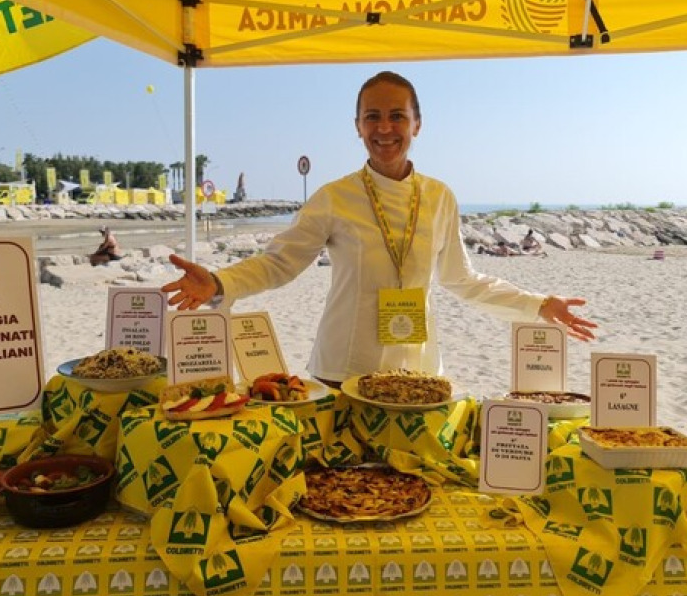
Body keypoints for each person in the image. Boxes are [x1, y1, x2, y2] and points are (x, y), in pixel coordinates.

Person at [161, 71, 596, 386]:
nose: (384, 128)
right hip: (343, 371)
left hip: (419, 375)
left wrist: (538, 305)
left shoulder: (440, 196)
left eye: (397, 116)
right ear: (357, 127)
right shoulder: (334, 197)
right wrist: (219, 282)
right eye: (372, 117)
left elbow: (462, 280)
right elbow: (281, 263)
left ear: (417, 124)